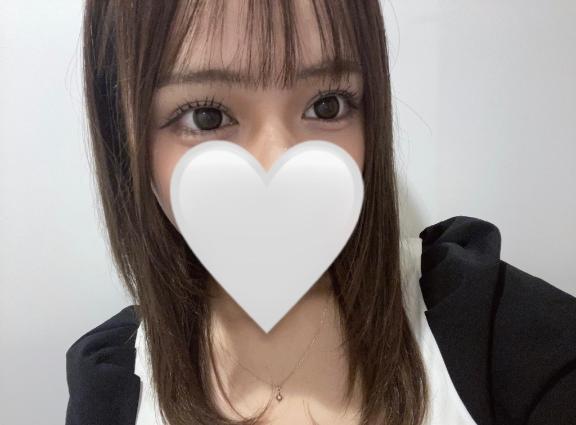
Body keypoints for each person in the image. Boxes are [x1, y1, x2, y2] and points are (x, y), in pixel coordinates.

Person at [65, 1, 576, 424]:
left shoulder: (483, 323)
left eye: (327, 105)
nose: (278, 164)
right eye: (206, 116)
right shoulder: (113, 388)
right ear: (124, 137)